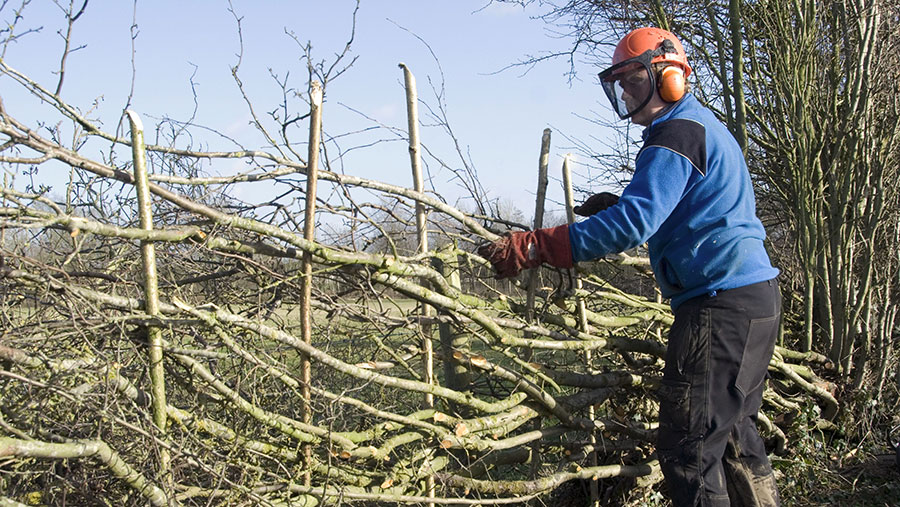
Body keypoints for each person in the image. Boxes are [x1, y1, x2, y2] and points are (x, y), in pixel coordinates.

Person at [478, 27, 781, 506]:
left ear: (670, 78)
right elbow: (690, 210)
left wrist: (537, 247)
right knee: (735, 436)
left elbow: (634, 225)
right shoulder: (701, 125)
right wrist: (619, 205)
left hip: (718, 307)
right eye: (620, 84)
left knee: (689, 451)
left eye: (634, 80)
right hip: (754, 300)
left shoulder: (675, 134)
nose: (624, 93)